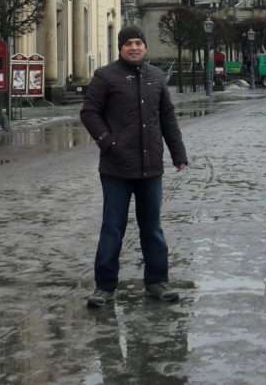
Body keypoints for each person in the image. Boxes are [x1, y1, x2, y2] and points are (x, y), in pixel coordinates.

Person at [80, 25, 188, 308]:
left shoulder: (156, 77)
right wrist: (107, 142)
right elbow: (89, 112)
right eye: (128, 43)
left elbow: (167, 118)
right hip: (116, 169)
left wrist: (178, 154)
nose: (134, 47)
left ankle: (157, 282)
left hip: (150, 167)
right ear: (120, 48)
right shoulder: (105, 77)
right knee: (112, 228)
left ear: (145, 47)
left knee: (152, 228)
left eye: (138, 42)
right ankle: (104, 286)